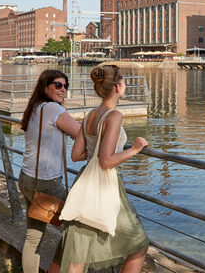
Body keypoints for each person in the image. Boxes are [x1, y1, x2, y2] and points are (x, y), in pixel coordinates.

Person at [60, 65, 150, 273]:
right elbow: (106, 161)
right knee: (138, 243)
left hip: (85, 182)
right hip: (106, 184)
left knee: (79, 250)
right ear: (118, 87)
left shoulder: (90, 115)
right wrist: (135, 149)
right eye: (124, 81)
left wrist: (95, 152)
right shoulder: (114, 116)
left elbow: (76, 155)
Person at [19, 69, 83, 273]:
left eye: (65, 85)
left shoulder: (35, 107)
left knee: (33, 236)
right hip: (47, 183)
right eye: (58, 85)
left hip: (27, 179)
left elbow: (69, 128)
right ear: (45, 87)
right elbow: (80, 132)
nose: (63, 89)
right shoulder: (54, 109)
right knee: (76, 228)